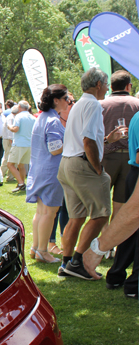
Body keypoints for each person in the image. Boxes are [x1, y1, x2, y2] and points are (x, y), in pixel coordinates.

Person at [57, 67, 123, 280]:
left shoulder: (77, 105)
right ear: (98, 85)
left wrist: (105, 140)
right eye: (105, 85)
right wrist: (97, 167)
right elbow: (87, 141)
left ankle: (67, 263)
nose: (107, 88)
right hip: (82, 165)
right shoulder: (93, 104)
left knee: (76, 217)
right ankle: (78, 263)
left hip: (67, 164)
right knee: (101, 214)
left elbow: (82, 138)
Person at [25, 84, 71, 264]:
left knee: (42, 212)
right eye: (66, 98)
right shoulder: (52, 121)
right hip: (51, 172)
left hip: (39, 170)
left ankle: (36, 248)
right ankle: (43, 250)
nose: (68, 101)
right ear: (56, 100)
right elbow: (54, 149)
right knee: (49, 213)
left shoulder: (42, 117)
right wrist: (73, 141)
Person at [100, 70, 139, 261]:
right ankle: (113, 246)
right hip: (130, 159)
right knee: (121, 205)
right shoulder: (137, 104)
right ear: (128, 86)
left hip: (106, 158)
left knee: (102, 205)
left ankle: (103, 245)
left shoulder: (101, 105)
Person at [7, 101, 35, 192]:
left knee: (10, 164)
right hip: (29, 144)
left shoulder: (19, 116)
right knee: (21, 165)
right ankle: (21, 183)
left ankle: (21, 183)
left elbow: (16, 129)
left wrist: (10, 127)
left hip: (19, 143)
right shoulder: (32, 117)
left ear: (19, 107)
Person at [2, 104, 18, 181]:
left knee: (12, 159)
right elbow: (10, 131)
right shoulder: (11, 118)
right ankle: (1, 175)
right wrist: (12, 142)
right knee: (7, 158)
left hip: (11, 140)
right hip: (9, 140)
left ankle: (10, 177)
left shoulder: (14, 117)